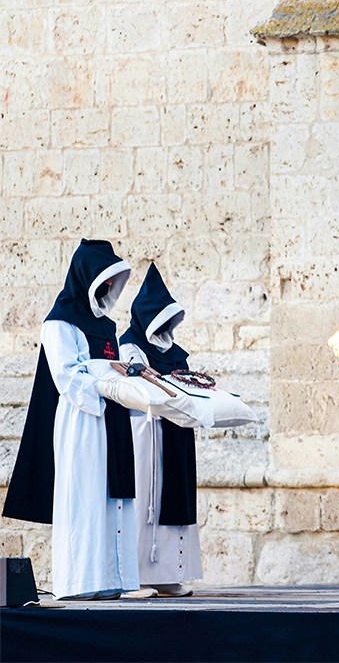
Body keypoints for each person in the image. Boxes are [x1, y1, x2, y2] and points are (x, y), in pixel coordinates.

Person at [3, 239, 139, 600]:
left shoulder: (108, 328)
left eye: (114, 282)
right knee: (84, 497)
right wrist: (109, 380)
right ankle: (80, 582)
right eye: (104, 281)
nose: (110, 288)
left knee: (110, 501)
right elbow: (68, 377)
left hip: (113, 420)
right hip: (83, 420)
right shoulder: (59, 323)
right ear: (87, 279)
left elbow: (109, 370)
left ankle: (110, 579)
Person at [118, 264, 201, 598]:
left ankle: (167, 573)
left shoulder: (176, 353)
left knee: (174, 501)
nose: (166, 327)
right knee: (145, 502)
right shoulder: (130, 348)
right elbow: (136, 388)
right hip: (145, 435)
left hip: (176, 433)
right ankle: (135, 575)